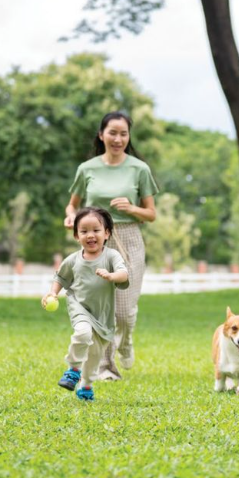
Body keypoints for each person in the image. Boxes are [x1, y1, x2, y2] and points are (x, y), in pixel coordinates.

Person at [64, 111, 158, 380]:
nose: (118, 139)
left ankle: (125, 341)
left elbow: (151, 214)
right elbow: (73, 203)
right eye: (113, 133)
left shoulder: (140, 169)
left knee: (124, 311)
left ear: (128, 137)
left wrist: (131, 208)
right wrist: (71, 215)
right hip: (96, 241)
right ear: (101, 135)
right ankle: (106, 367)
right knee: (101, 307)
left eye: (124, 133)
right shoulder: (87, 169)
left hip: (129, 237)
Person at [44, 207, 129, 401]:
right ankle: (73, 370)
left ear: (106, 233)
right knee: (82, 333)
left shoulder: (111, 256)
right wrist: (52, 293)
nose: (90, 235)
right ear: (76, 236)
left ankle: (86, 385)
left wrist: (111, 275)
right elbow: (60, 278)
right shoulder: (73, 260)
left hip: (103, 315)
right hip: (79, 306)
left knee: (95, 356)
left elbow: (123, 274)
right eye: (84, 231)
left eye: (96, 230)